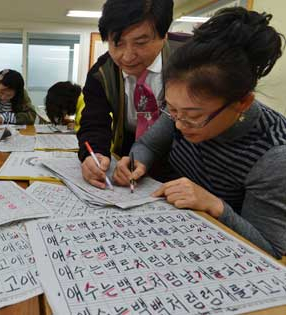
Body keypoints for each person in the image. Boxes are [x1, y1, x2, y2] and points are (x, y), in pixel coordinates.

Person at [114, 8, 286, 258]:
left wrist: (213, 205)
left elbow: (271, 248)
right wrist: (137, 162)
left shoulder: (273, 154)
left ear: (242, 103)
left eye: (194, 116)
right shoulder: (180, 112)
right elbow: (148, 146)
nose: (180, 125)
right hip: (175, 231)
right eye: (171, 109)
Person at [78, 0, 186, 189]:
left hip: (184, 162)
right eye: (117, 43)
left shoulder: (192, 59)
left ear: (164, 35)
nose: (127, 56)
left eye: (141, 42)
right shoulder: (101, 73)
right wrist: (94, 154)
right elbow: (94, 123)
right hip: (128, 161)